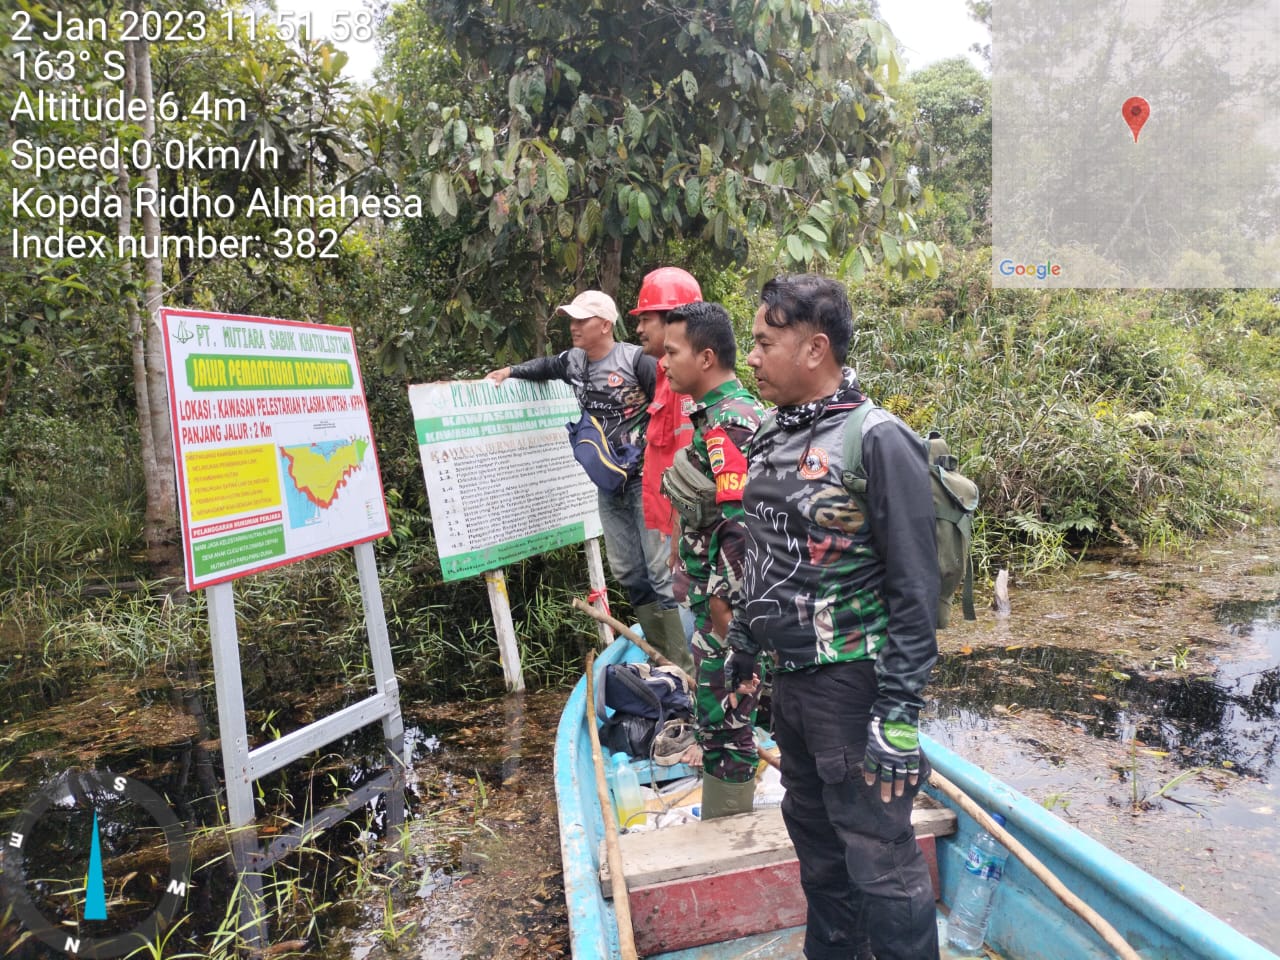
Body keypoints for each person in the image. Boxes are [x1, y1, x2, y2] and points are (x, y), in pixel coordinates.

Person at [725, 275, 941, 960]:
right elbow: (759, 555)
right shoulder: (767, 436)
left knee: (881, 862)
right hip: (790, 692)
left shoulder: (877, 440)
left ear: (815, 348)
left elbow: (916, 589)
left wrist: (900, 713)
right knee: (819, 859)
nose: (751, 358)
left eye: (764, 343)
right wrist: (741, 651)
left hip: (852, 688)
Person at [484, 291, 687, 666]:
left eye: (581, 320)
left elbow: (669, 410)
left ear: (605, 325)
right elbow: (546, 365)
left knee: (660, 573)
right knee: (628, 571)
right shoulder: (574, 362)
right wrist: (510, 371)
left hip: (646, 481)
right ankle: (662, 660)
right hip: (609, 486)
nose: (573, 327)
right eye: (571, 320)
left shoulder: (637, 360)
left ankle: (684, 667)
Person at [660, 301, 765, 817]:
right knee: (717, 719)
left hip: (724, 609)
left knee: (725, 725)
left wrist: (726, 616)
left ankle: (730, 833)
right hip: (708, 600)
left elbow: (740, 527)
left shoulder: (729, 424)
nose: (663, 361)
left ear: (705, 358)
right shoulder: (718, 416)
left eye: (672, 351)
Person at [630, 266, 703, 666]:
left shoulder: (685, 384)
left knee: (680, 591)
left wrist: (677, 529)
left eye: (646, 318)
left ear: (676, 321)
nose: (640, 328)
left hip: (678, 524)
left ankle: (686, 674)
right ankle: (672, 665)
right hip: (662, 517)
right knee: (662, 586)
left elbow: (690, 466)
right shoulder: (661, 375)